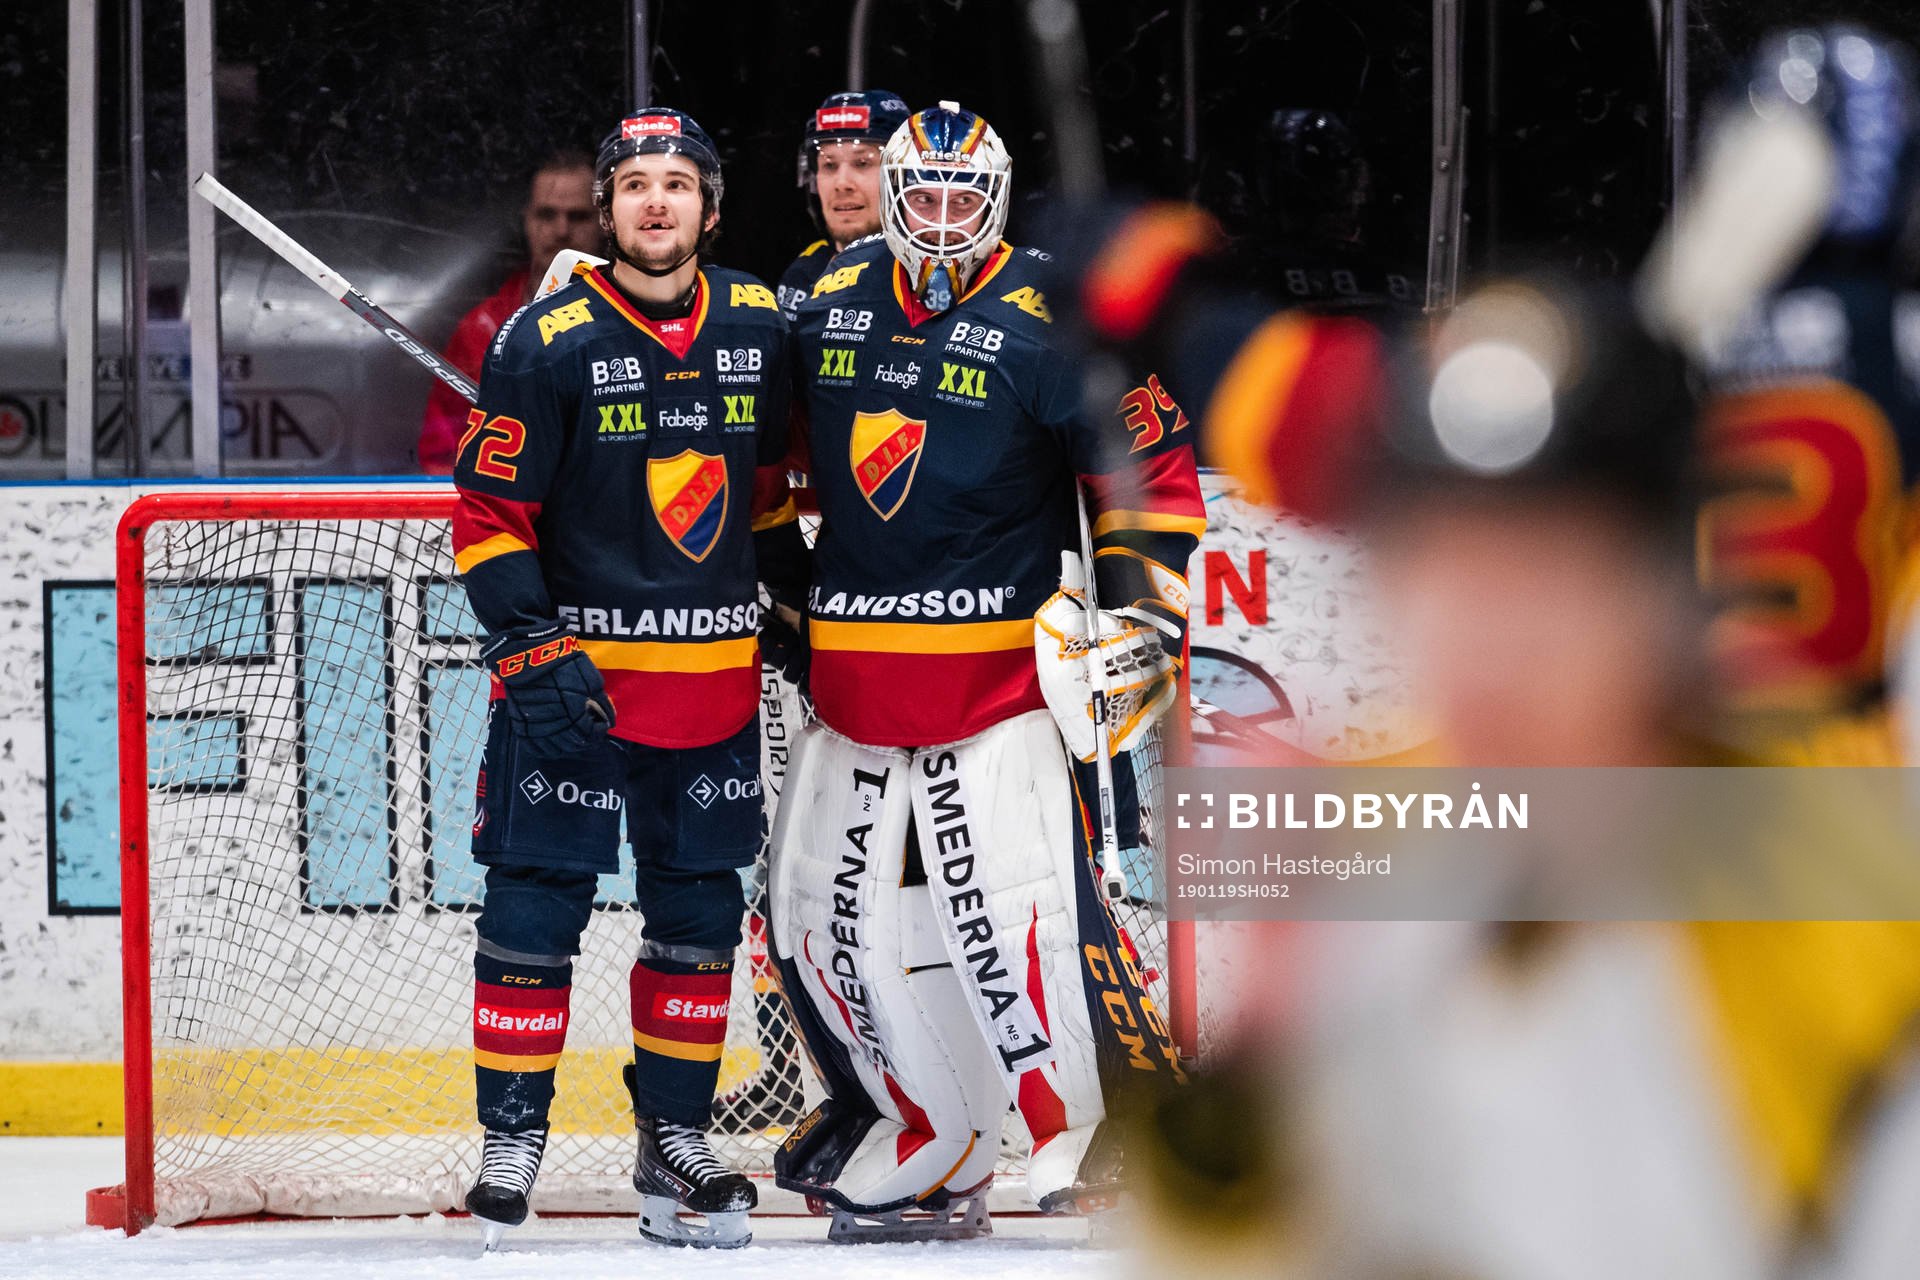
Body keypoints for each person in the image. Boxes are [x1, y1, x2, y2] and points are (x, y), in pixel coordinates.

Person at [769, 101, 1203, 1241]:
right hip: (853, 689)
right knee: (819, 921)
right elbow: (732, 425)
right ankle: (915, 1127)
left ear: (998, 198)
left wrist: (1144, 613)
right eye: (928, 195)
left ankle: (1118, 1124)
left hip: (1002, 684)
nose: (947, 217)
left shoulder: (1055, 314)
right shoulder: (823, 305)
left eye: (969, 197)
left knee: (1024, 913)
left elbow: (1145, 464)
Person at [449, 105, 805, 1251]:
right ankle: (512, 1137)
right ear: (606, 210)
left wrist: (794, 599)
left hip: (708, 694)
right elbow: (489, 514)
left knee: (697, 915)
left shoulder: (760, 320)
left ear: (710, 203)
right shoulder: (543, 338)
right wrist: (530, 643)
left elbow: (771, 493)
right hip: (575, 693)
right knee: (532, 907)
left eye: (679, 182)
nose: (658, 201)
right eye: (636, 182)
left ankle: (675, 1138)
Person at [418, 152, 602, 473]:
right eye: (547, 215)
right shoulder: (483, 328)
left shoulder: (637, 318)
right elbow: (441, 457)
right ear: (527, 220)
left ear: (605, 221)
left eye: (578, 216)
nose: (561, 230)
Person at [776, 89, 911, 321]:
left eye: (862, 162)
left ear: (904, 176)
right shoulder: (804, 271)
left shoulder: (932, 278)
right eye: (829, 165)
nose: (841, 183)